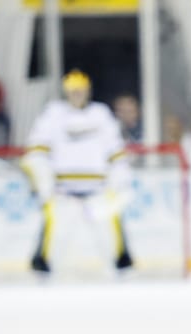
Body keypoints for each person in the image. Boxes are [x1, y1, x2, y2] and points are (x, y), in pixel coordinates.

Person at [22, 69, 133, 273]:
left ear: (87, 91)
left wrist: (120, 180)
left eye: (80, 91)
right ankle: (41, 272)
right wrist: (42, 179)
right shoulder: (53, 114)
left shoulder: (101, 114)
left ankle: (123, 268)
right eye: (73, 91)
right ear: (66, 92)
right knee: (53, 239)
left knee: (111, 236)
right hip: (63, 190)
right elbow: (36, 152)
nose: (77, 95)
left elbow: (116, 152)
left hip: (97, 189)